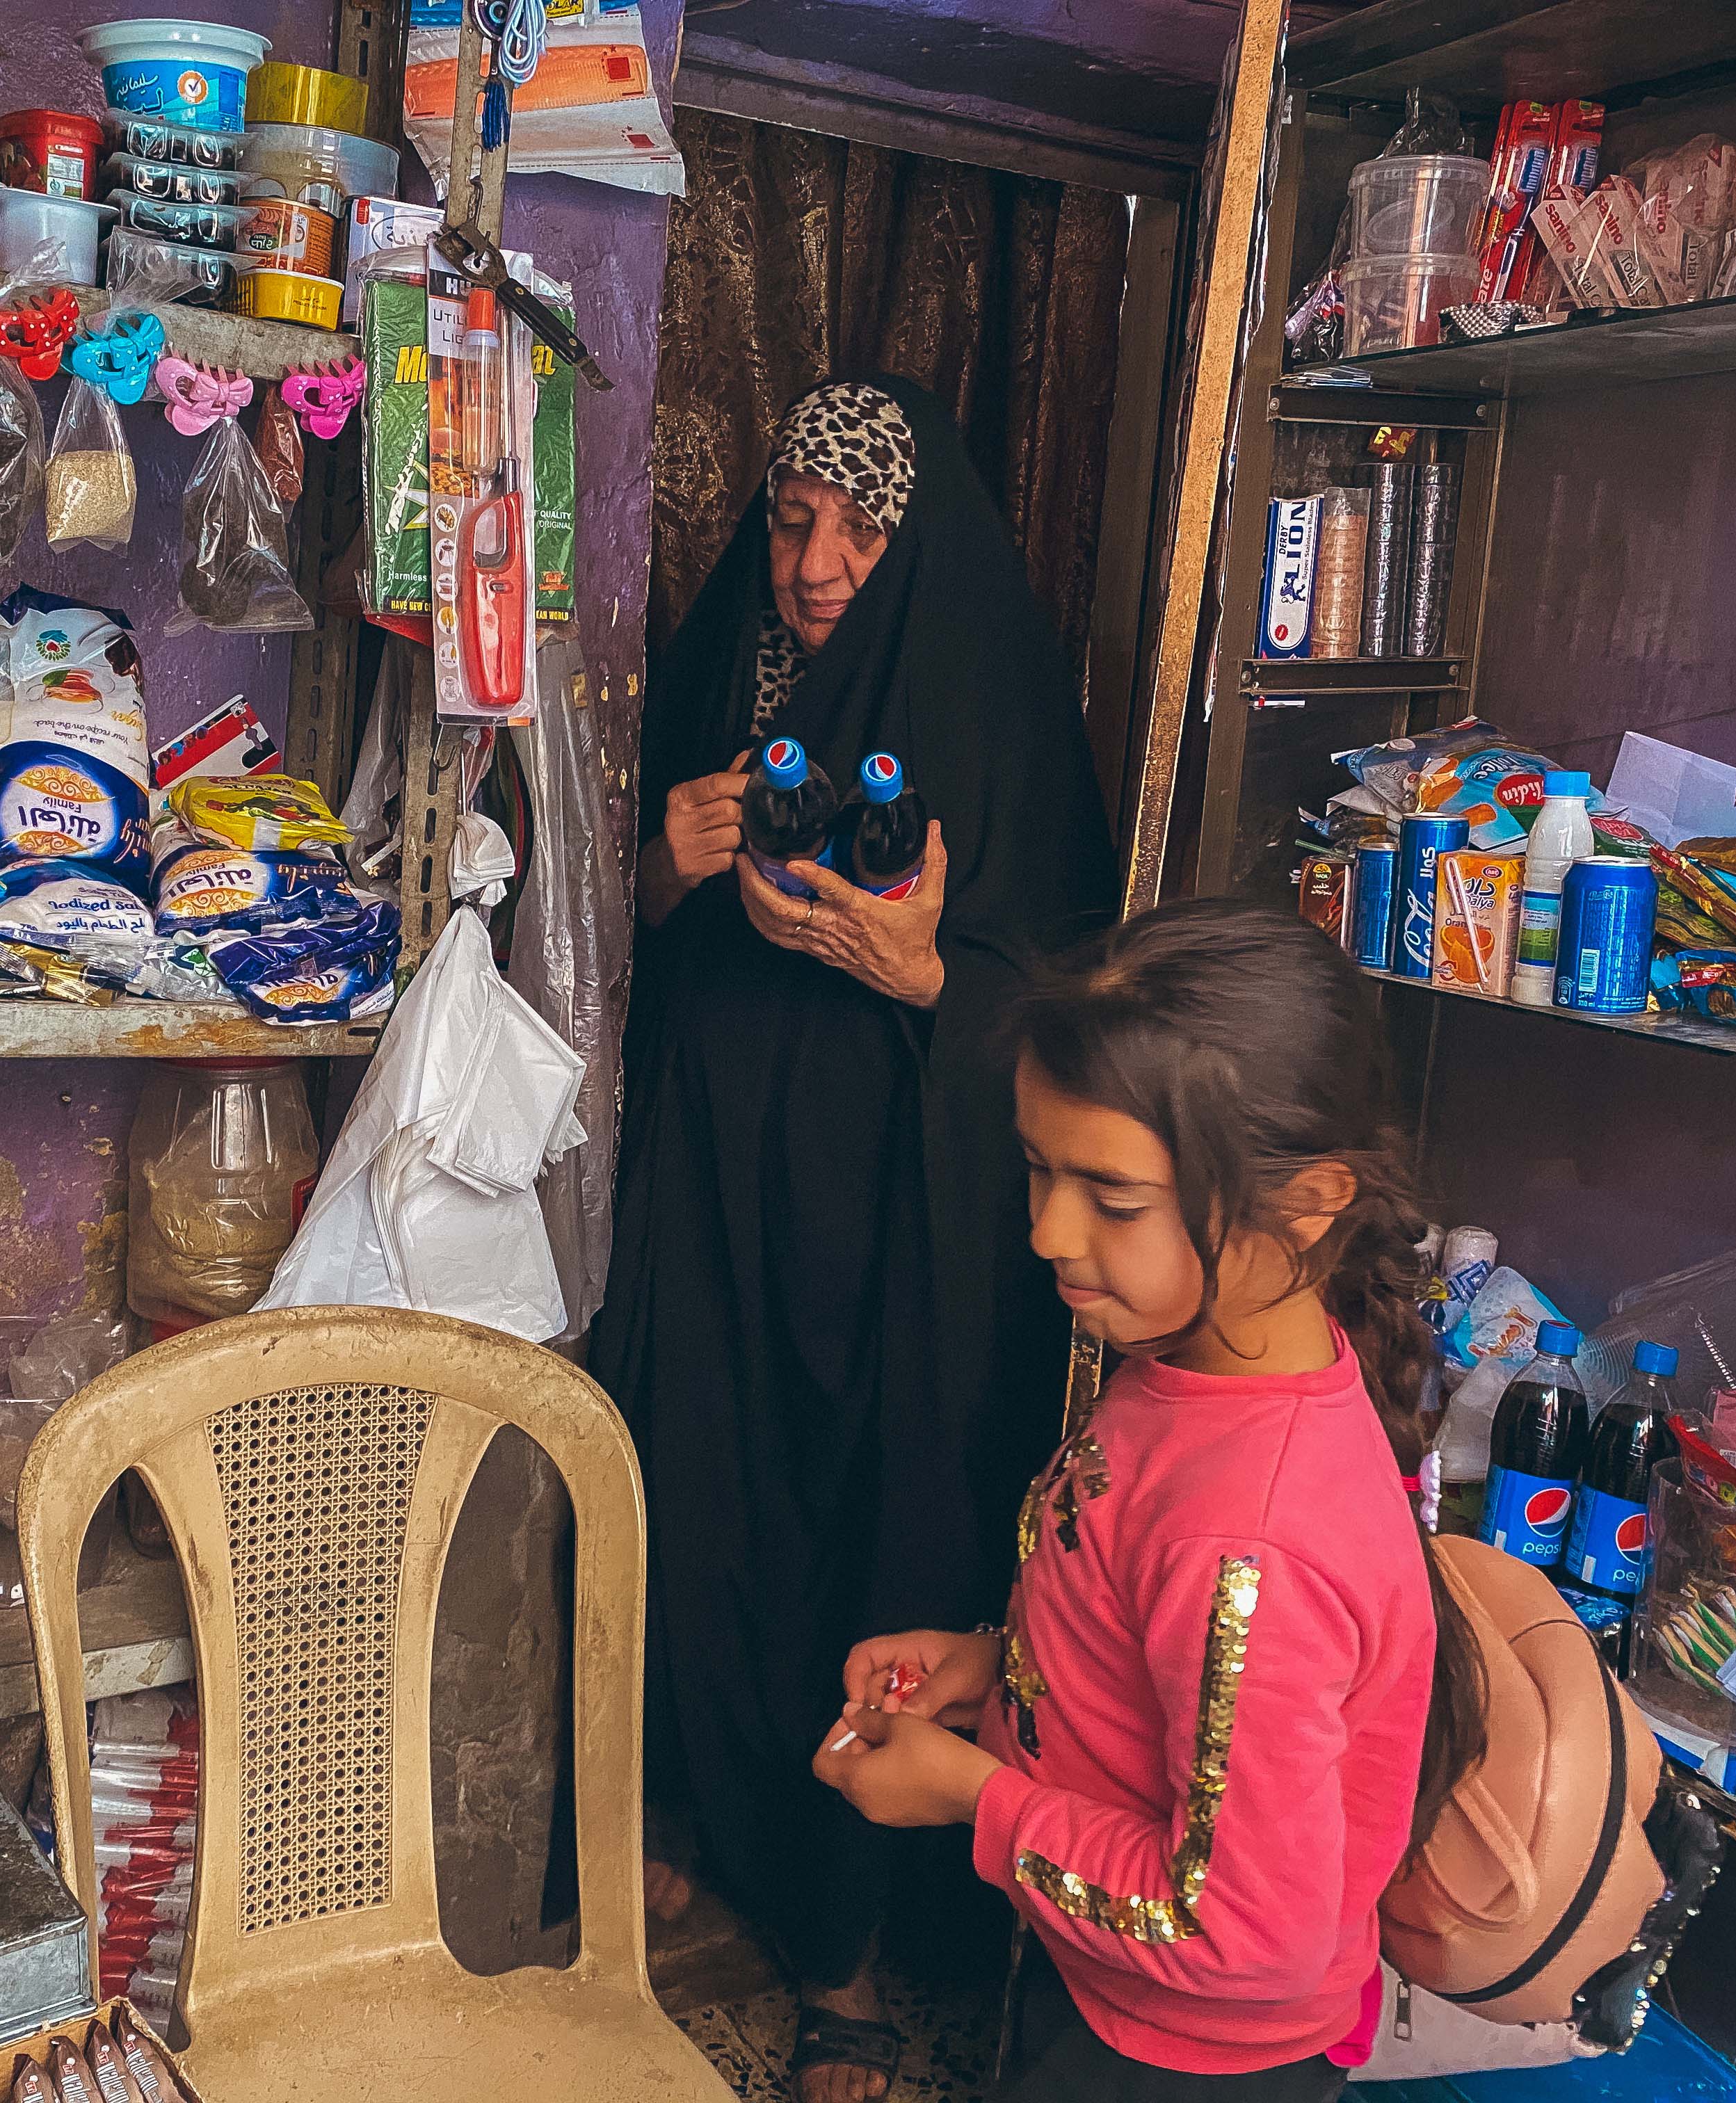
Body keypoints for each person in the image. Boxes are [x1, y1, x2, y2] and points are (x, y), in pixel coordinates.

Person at [596, 376, 1119, 2103]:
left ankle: (854, 1955)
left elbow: (1073, 1011)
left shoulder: (994, 703)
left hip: (907, 1239)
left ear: (922, 543)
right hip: (716, 1212)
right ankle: (703, 1824)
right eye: (793, 520)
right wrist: (659, 875)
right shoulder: (719, 676)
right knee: (704, 1506)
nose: (817, 565)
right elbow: (611, 965)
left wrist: (927, 979)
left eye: (860, 529)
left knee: (879, 1553)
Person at [812, 899, 1486, 2102]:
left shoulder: (1252, 1538)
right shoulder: (1200, 1365)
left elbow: (1241, 1930)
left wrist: (977, 1800)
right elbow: (1152, 1649)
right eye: (1036, 1169)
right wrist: (993, 1661)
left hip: (1184, 2058)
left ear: (1312, 1199)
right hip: (1108, 1985)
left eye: (1113, 1199)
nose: (1046, 1231)